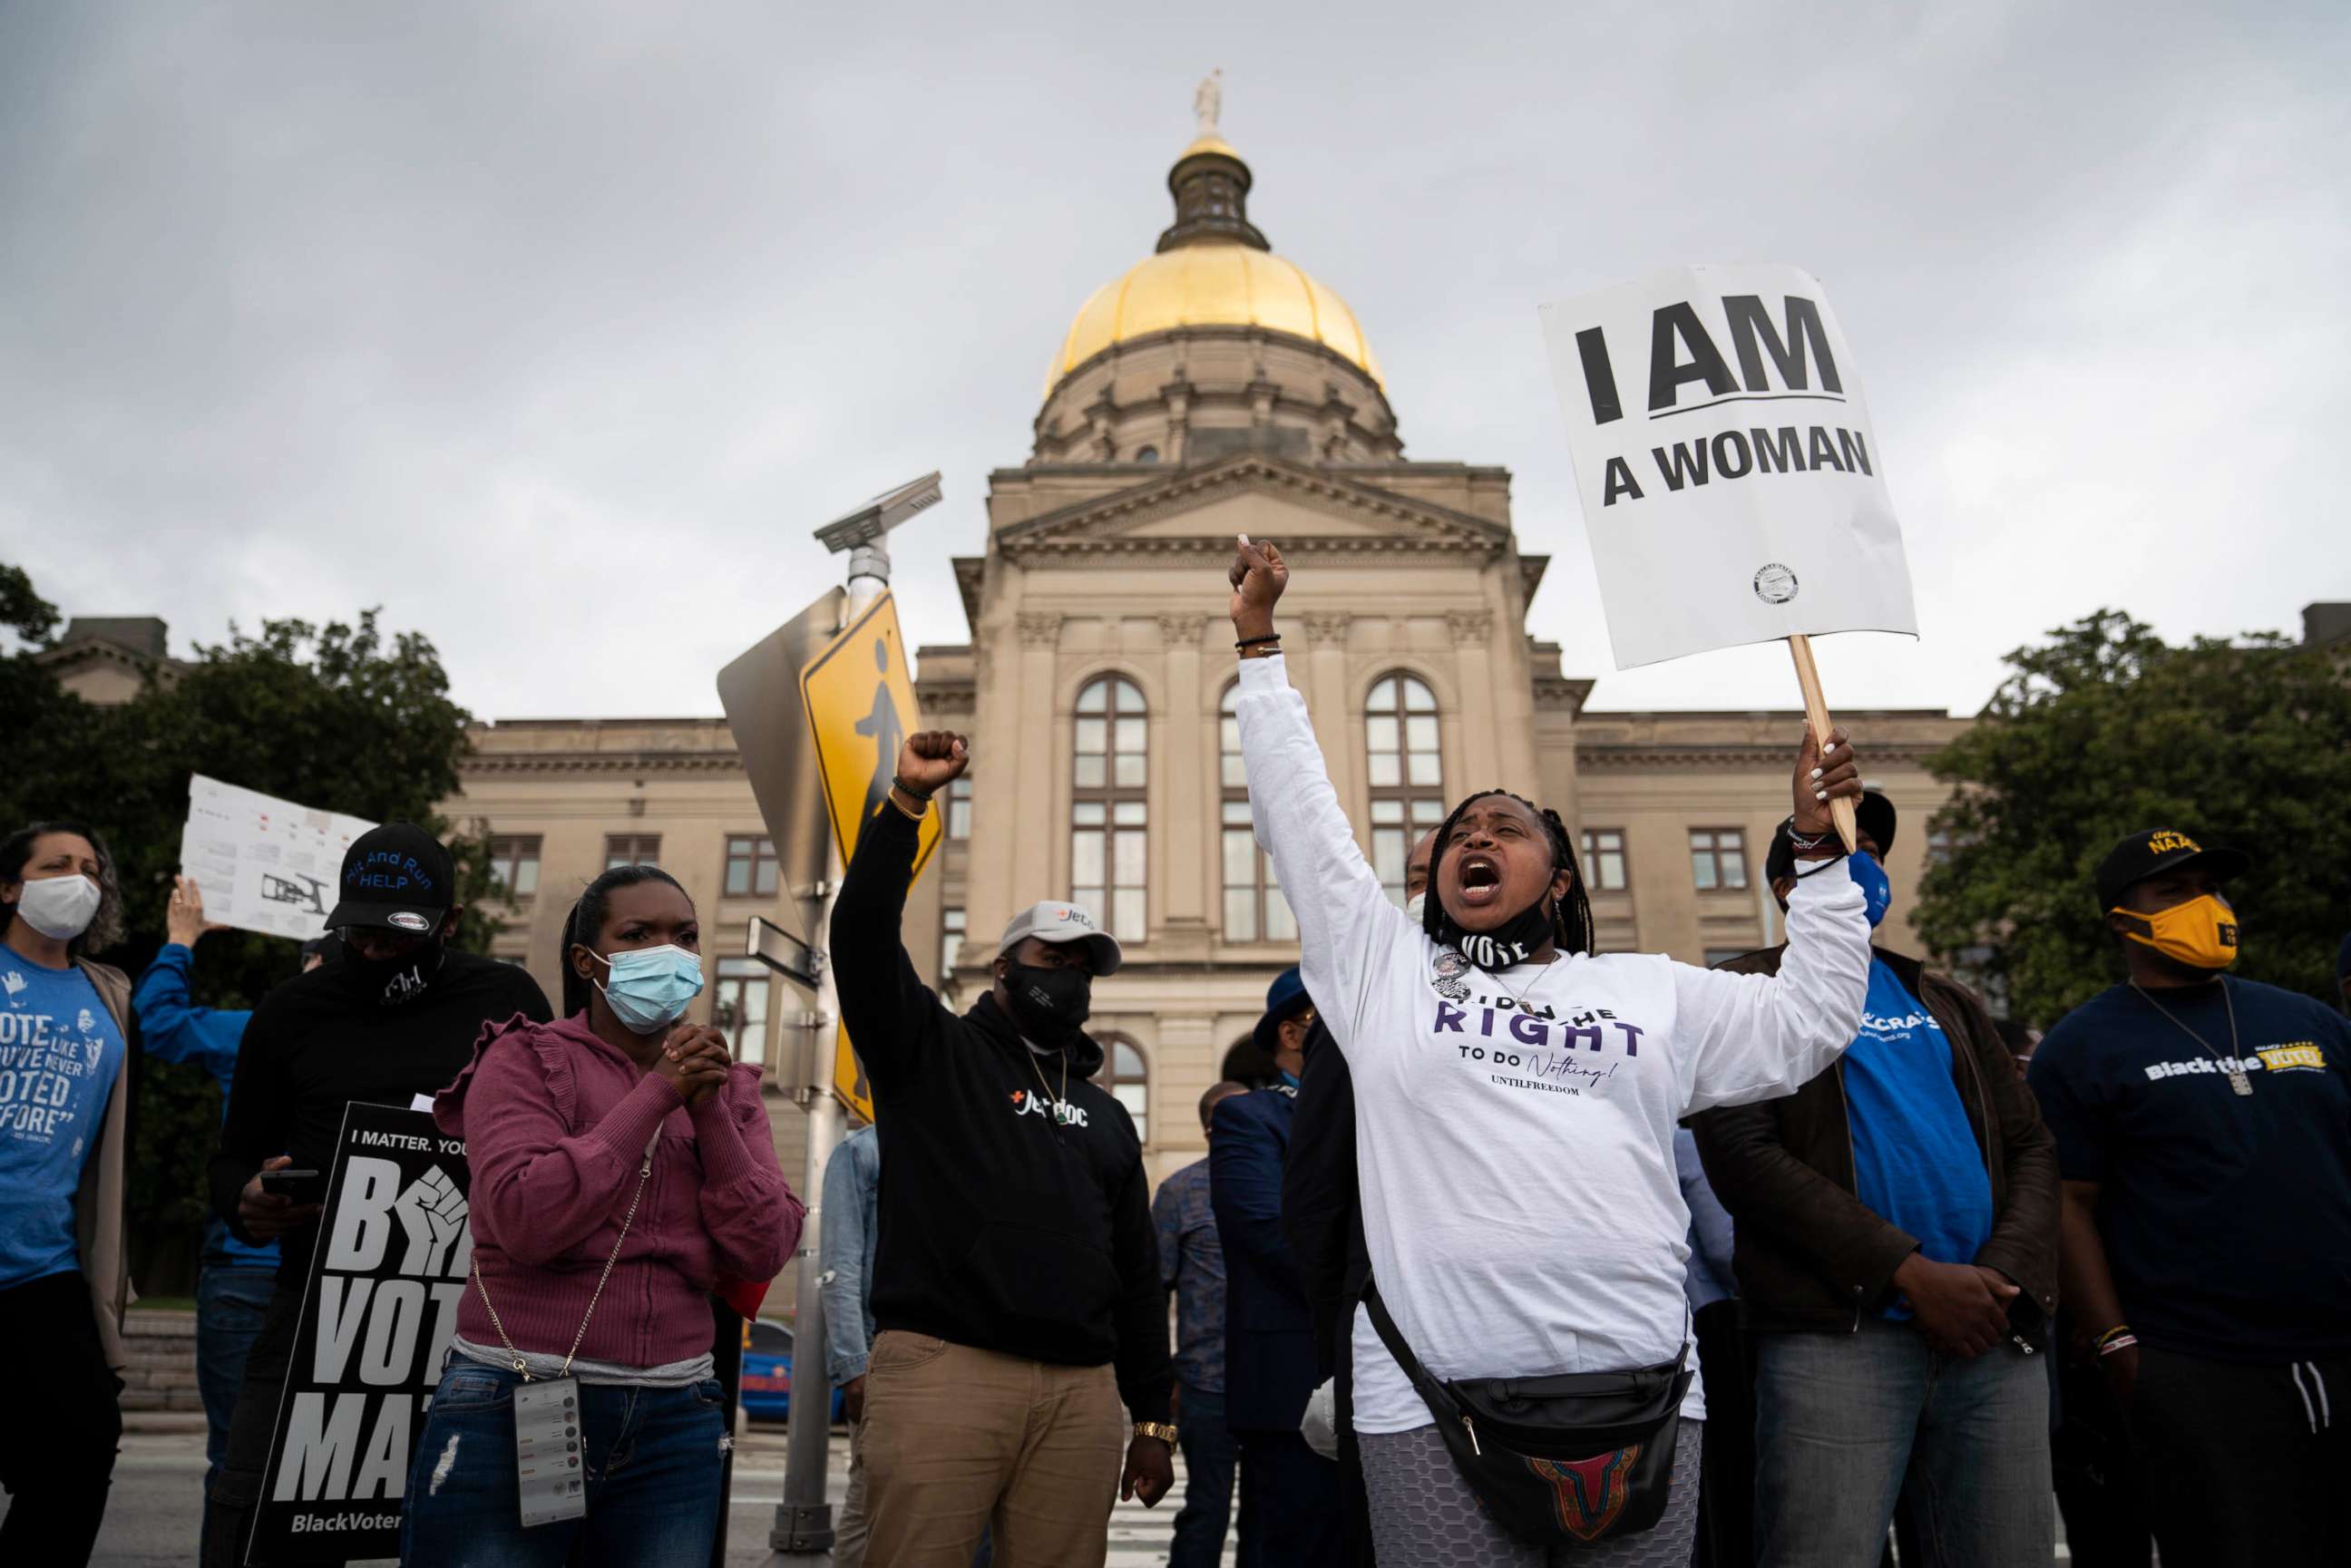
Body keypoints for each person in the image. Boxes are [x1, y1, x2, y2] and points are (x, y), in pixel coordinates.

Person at [1226, 537, 1873, 1563]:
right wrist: (1261, 649)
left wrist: (1817, 856)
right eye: (1458, 831)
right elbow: (1302, 821)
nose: (1473, 836)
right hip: (1431, 1403)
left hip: (1647, 1395)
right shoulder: (1383, 973)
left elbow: (1813, 1020)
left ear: (1563, 882)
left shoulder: (1648, 988)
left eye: (1506, 825)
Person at [830, 729, 1175, 1568]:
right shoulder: (933, 1056)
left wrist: (1155, 1420)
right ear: (1002, 969)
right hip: (949, 1373)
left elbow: (1137, 1271)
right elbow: (864, 940)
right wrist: (906, 803)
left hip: (1081, 1396)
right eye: (1050, 958)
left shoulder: (1107, 1112)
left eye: (1084, 966)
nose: (1068, 977)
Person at [1691, 801, 2060, 1566]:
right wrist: (1907, 1271)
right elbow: (1744, 1158)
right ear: (1793, 886)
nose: (1870, 867)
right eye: (1844, 851)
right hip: (1837, 1338)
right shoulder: (1742, 991)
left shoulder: (1945, 997)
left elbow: (2028, 1144)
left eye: (1877, 852)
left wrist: (2001, 1275)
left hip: (1990, 1333)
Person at [400, 862, 803, 1563]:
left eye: (684, 936)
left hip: (675, 1421)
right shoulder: (524, 1057)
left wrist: (705, 1107)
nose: (668, 951)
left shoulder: (725, 1089)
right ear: (589, 961)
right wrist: (656, 1094)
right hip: (516, 1397)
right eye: (639, 933)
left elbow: (765, 1244)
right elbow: (525, 1216)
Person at [203, 821, 552, 1568]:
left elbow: (555, 1137)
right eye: (359, 932)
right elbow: (231, 1160)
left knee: (469, 1525)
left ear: (450, 923)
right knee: (257, 1513)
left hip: (475, 1319)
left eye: (398, 936)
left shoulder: (506, 999)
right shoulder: (290, 1011)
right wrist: (251, 1199)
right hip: (313, 1311)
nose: (375, 950)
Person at [2029, 828, 2351, 1567]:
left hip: (2341, 1346)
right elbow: (2067, 1203)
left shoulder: (2307, 1021)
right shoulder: (2082, 1046)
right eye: (2174, 891)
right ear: (2121, 920)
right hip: (2202, 1367)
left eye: (2210, 887)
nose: (2204, 905)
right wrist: (2119, 1348)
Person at [132, 876, 334, 1550]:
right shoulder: (260, 1031)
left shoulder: (252, 1029)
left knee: (262, 1465)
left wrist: (181, 942)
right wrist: (180, 942)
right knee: (274, 1468)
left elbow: (158, 1022)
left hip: (282, 1279)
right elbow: (156, 1024)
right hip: (284, 1276)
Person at [1283, 830, 1436, 1568]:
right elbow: (1316, 1195)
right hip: (1404, 1356)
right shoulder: (1358, 1004)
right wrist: (1344, 1346)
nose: (1424, 893)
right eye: (1413, 877)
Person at [0, 822, 135, 1568]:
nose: (78, 879)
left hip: (46, 1269)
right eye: (55, 865)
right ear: (10, 886)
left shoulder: (107, 992)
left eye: (90, 867)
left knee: (82, 1446)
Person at [1213, 968, 1343, 1567]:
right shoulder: (1252, 1118)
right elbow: (1266, 1230)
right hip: (1292, 1383)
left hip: (1391, 1382)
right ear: (1293, 1033)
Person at [1154, 1080, 1247, 1568]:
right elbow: (1154, 1291)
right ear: (1212, 1128)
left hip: (1276, 1383)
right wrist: (1159, 1384)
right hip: (1206, 1383)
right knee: (1206, 1509)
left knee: (1272, 1514)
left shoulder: (1288, 1181)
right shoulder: (1179, 1192)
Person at [1674, 1125, 1750, 1568]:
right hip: (1717, 1320)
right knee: (1730, 1474)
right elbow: (1726, 1248)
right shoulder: (1686, 1139)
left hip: (1678, 1326)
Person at [823, 1121, 883, 1568]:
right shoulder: (863, 1151)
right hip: (881, 1359)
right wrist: (853, 1367)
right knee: (870, 1508)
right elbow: (839, 1266)